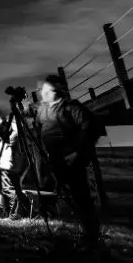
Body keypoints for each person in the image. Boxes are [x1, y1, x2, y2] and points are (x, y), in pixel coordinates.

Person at [35, 74, 102, 247]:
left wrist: (77, 153)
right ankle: (63, 227)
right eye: (43, 90)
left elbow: (91, 128)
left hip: (71, 160)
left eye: (47, 90)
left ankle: (91, 235)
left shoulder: (71, 108)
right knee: (57, 193)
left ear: (57, 90)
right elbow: (38, 129)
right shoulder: (42, 111)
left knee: (80, 196)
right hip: (52, 159)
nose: (43, 93)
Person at [0, 115, 27, 219]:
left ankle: (14, 215)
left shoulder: (12, 126)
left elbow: (13, 136)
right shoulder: (10, 125)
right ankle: (14, 212)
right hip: (7, 161)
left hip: (8, 162)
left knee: (9, 189)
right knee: (12, 188)